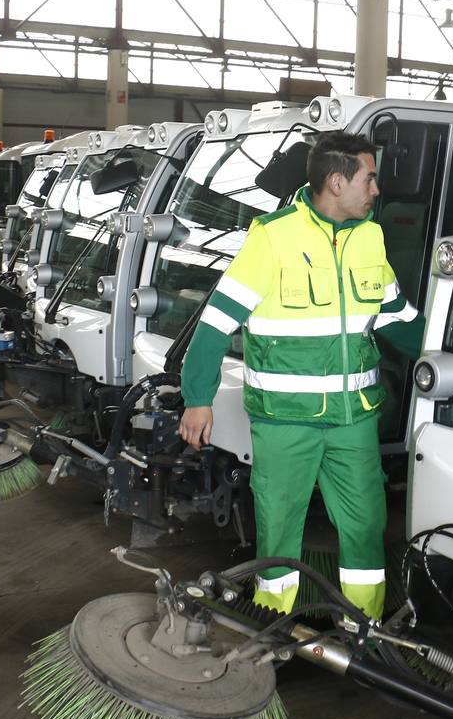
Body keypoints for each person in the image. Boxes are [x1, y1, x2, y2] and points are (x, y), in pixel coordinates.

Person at [177, 132, 420, 620]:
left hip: (354, 420)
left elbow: (398, 317)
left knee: (365, 527)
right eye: (369, 179)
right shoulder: (272, 236)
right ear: (337, 181)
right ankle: (272, 627)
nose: (376, 190)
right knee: (280, 529)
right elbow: (215, 322)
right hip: (286, 422)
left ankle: (363, 631)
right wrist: (197, 399)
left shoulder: (370, 235)